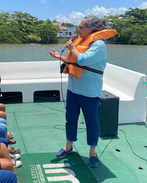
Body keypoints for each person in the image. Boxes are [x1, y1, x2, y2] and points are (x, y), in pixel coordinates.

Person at [48, 16, 116, 168]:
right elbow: (73, 60)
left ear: (90, 29)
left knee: (92, 123)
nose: (78, 30)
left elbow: (83, 60)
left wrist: (72, 47)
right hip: (73, 89)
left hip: (90, 91)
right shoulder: (81, 42)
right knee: (70, 118)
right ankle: (68, 146)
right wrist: (59, 56)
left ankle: (92, 152)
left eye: (80, 27)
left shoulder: (98, 45)